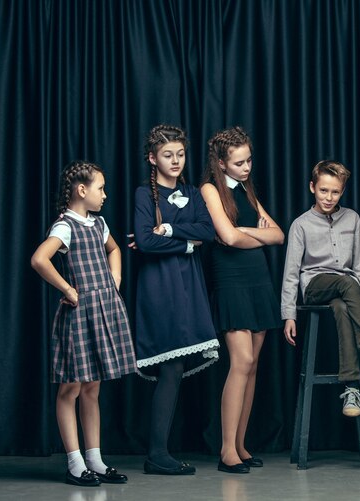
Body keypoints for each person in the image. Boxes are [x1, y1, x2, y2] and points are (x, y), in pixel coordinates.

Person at [31, 161, 136, 486]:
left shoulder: (98, 223)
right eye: (100, 188)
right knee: (72, 387)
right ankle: (75, 463)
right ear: (81, 190)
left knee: (92, 386)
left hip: (103, 307)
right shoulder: (66, 226)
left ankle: (95, 460)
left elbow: (114, 249)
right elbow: (39, 259)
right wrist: (67, 288)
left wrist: (114, 277)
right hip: (79, 314)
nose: (104, 195)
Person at [282, 160, 360, 419]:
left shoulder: (352, 219)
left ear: (342, 191)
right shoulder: (301, 224)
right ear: (312, 187)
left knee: (342, 305)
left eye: (335, 192)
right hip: (315, 285)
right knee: (347, 283)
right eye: (324, 190)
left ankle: (351, 387)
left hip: (345, 292)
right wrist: (289, 314)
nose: (329, 197)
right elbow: (292, 272)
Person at [133, 125, 220, 475]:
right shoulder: (144, 195)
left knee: (177, 368)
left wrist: (168, 230)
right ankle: (157, 453)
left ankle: (158, 452)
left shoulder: (193, 192)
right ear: (153, 158)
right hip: (160, 287)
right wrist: (185, 244)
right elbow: (143, 241)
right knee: (169, 367)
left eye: (180, 154)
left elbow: (209, 231)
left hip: (189, 287)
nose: (176, 161)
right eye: (168, 155)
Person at [200, 126, 284, 474]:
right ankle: (226, 450)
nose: (246, 167)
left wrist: (249, 233)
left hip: (258, 279)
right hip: (231, 281)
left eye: (248, 160)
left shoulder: (247, 190)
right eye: (238, 162)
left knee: (252, 366)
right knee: (241, 361)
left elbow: (278, 235)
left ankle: (241, 445)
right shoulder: (209, 189)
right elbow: (227, 238)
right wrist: (254, 233)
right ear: (221, 163)